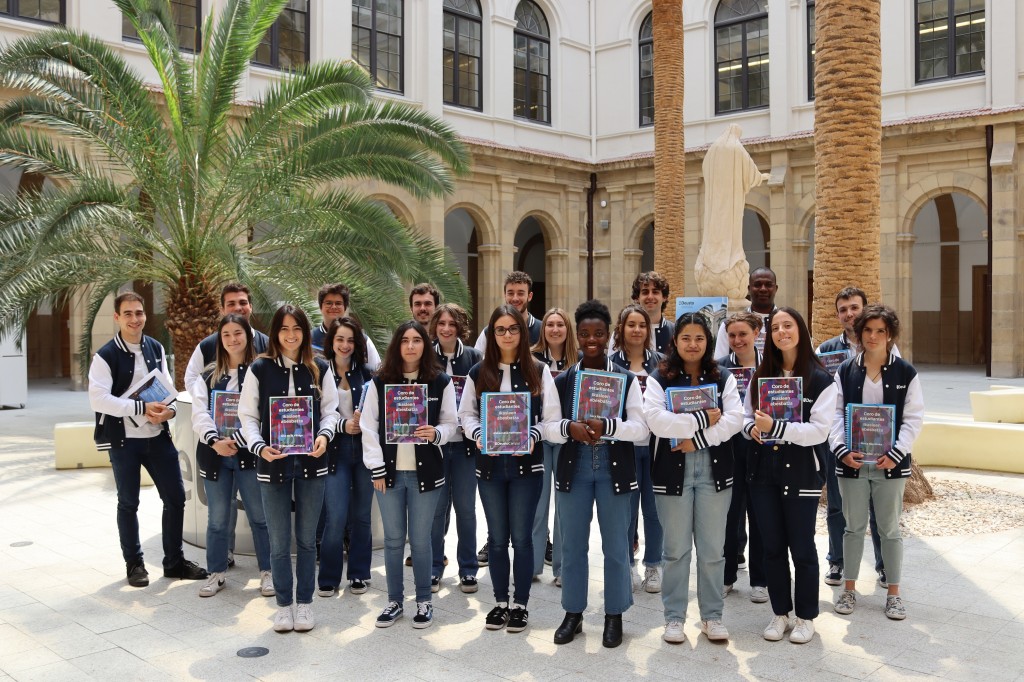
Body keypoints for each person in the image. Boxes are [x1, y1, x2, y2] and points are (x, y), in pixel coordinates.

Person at [89, 291, 208, 587]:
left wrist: (167, 411)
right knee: (128, 503)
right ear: (117, 317)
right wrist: (141, 408)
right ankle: (135, 564)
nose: (134, 319)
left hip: (157, 438)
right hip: (124, 441)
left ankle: (174, 562)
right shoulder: (105, 356)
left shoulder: (155, 347)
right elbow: (98, 399)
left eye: (139, 313)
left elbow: (167, 389)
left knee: (176, 498)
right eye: (128, 313)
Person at [459, 305, 562, 634]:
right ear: (492, 334)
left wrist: (533, 433)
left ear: (522, 332)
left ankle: (521, 605)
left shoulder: (538, 370)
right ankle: (500, 602)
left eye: (513, 329)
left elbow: (552, 419)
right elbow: (467, 416)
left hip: (527, 467)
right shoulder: (479, 372)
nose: (507, 335)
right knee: (498, 539)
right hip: (489, 467)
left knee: (523, 538)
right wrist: (478, 434)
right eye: (500, 330)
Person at [552, 300, 649, 648]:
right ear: (576, 337)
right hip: (574, 466)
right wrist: (569, 427)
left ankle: (614, 615)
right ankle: (573, 614)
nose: (591, 339)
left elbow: (641, 430)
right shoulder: (564, 380)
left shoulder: (625, 379)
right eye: (585, 334)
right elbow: (547, 426)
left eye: (599, 333)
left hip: (614, 467)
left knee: (616, 546)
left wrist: (609, 425)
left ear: (610, 335)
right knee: (573, 545)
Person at [238, 304, 339, 633]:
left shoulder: (319, 367)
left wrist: (325, 436)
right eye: (284, 329)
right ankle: (283, 606)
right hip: (272, 464)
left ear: (305, 332)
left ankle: (306, 604)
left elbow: (331, 411)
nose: (291, 335)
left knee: (308, 540)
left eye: (297, 328)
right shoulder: (259, 369)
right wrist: (259, 447)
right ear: (275, 333)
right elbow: (248, 416)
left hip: (312, 463)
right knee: (280, 542)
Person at [645, 312, 743, 644]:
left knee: (713, 549)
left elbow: (734, 421)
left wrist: (697, 438)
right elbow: (656, 421)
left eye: (699, 338)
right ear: (675, 342)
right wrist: (702, 419)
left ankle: (712, 617)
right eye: (685, 338)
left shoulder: (723, 377)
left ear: (709, 342)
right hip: (671, 469)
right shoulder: (659, 377)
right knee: (675, 550)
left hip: (714, 470)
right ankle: (674, 618)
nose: (692, 344)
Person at [743, 307, 836, 645]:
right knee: (771, 547)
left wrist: (776, 427)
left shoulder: (822, 379)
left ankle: (806, 616)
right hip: (762, 471)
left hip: (801, 472)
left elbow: (818, 432)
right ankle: (780, 613)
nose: (782, 332)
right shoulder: (760, 376)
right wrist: (750, 429)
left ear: (801, 331)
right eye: (777, 327)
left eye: (789, 326)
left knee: (802, 547)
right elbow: (744, 416)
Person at [361, 321, 459, 629]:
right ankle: (393, 601)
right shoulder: (380, 383)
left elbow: (451, 424)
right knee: (392, 540)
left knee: (420, 540)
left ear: (424, 345)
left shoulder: (440, 382)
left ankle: (424, 602)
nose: (411, 346)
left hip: (426, 474)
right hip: (387, 475)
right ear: (396, 345)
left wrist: (437, 433)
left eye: (417, 340)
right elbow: (368, 427)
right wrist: (376, 468)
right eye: (405, 340)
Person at [829, 305, 923, 621]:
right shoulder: (844, 371)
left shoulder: (906, 372)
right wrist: (841, 449)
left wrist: (896, 453)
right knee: (853, 527)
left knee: (890, 529)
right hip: (851, 463)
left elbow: (913, 418)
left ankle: (894, 594)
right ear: (859, 334)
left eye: (880, 330)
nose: (873, 336)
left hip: (891, 465)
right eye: (868, 330)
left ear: (890, 334)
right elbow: (834, 413)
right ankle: (849, 590)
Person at [190, 314, 273, 598]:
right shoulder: (208, 375)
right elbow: (199, 413)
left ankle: (268, 571)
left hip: (249, 455)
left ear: (247, 336)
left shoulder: (262, 372)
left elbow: (262, 415)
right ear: (220, 340)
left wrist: (237, 439)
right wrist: (215, 441)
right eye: (226, 334)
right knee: (218, 518)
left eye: (238, 333)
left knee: (259, 516)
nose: (233, 339)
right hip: (216, 455)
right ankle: (216, 572)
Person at [817, 287, 889, 588]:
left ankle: (884, 566)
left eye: (854, 307)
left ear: (865, 309)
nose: (849, 314)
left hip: (877, 437)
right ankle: (837, 561)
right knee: (837, 503)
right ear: (838, 315)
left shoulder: (884, 346)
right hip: (840, 440)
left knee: (878, 506)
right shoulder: (826, 351)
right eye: (843, 309)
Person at [316, 317, 375, 598]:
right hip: (333, 452)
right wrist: (342, 425)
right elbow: (313, 414)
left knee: (362, 516)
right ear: (332, 341)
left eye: (350, 340)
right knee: (336, 515)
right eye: (340, 339)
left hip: (364, 453)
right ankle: (328, 577)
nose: (345, 345)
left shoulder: (367, 373)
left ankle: (360, 574)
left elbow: (377, 414)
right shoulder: (317, 371)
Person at [428, 303, 482, 593]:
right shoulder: (426, 356)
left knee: (466, 509)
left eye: (452, 323)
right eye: (441, 323)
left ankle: (469, 568)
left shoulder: (474, 357)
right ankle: (435, 567)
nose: (446, 328)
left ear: (460, 326)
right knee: (437, 511)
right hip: (435, 446)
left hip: (465, 448)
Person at [610, 304, 664, 594]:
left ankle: (653, 565)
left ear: (648, 329)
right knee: (626, 510)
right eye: (630, 324)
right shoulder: (610, 365)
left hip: (656, 447)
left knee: (654, 510)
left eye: (642, 325)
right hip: (624, 447)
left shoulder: (662, 363)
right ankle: (627, 564)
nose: (636, 330)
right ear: (621, 329)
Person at [717, 312, 768, 604]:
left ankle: (760, 579)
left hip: (762, 450)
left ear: (756, 332)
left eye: (743, 334)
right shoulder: (720, 368)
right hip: (730, 450)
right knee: (729, 514)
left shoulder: (771, 366)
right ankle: (726, 576)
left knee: (760, 514)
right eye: (732, 335)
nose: (737, 341)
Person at [530, 308, 577, 584]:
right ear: (543, 329)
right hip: (538, 438)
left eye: (560, 324)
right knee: (537, 503)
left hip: (568, 441)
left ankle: (561, 567)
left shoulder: (579, 361)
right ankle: (533, 564)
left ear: (567, 329)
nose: (555, 329)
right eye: (550, 324)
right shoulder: (531, 359)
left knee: (564, 503)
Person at [183, 283, 269, 396]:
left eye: (243, 303)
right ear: (222, 310)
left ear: (251, 307)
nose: (238, 308)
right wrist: (208, 402)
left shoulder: (268, 344)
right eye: (231, 304)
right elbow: (191, 378)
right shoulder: (207, 346)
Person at [310, 283, 381, 367]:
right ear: (321, 306)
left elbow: (377, 371)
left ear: (345, 307)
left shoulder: (363, 340)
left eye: (338, 303)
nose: (333, 307)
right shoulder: (309, 338)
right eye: (328, 303)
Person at [713, 267, 778, 359]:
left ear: (776, 288)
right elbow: (720, 366)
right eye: (757, 285)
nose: (763, 289)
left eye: (768, 285)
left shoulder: (788, 323)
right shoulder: (728, 325)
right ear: (749, 289)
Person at [473, 271, 543, 352]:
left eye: (520, 293)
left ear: (530, 296)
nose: (515, 298)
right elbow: (477, 360)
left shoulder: (542, 331)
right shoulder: (489, 332)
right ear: (505, 295)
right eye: (510, 293)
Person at [631, 271, 674, 354]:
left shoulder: (676, 331)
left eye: (655, 292)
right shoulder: (624, 332)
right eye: (645, 292)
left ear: (664, 297)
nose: (650, 297)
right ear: (637, 298)